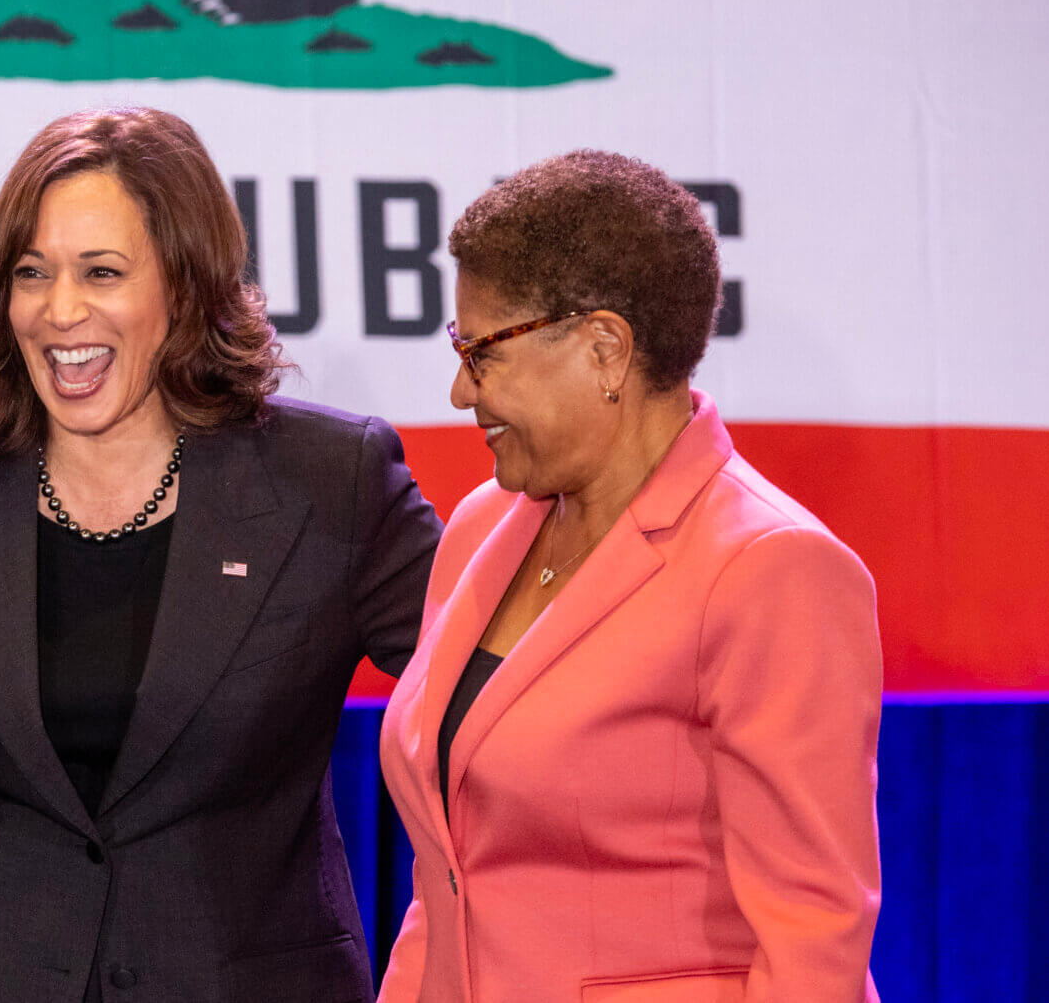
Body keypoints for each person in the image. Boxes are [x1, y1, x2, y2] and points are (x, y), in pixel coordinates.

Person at [0, 107, 443, 1003]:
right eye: (30, 273)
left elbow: (488, 725)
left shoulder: (333, 481)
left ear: (188, 284)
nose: (60, 313)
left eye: (102, 272)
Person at [377, 150, 882, 1002]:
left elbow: (813, 943)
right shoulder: (478, 532)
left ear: (605, 348)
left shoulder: (772, 570)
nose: (462, 391)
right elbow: (449, 877)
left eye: (482, 351)